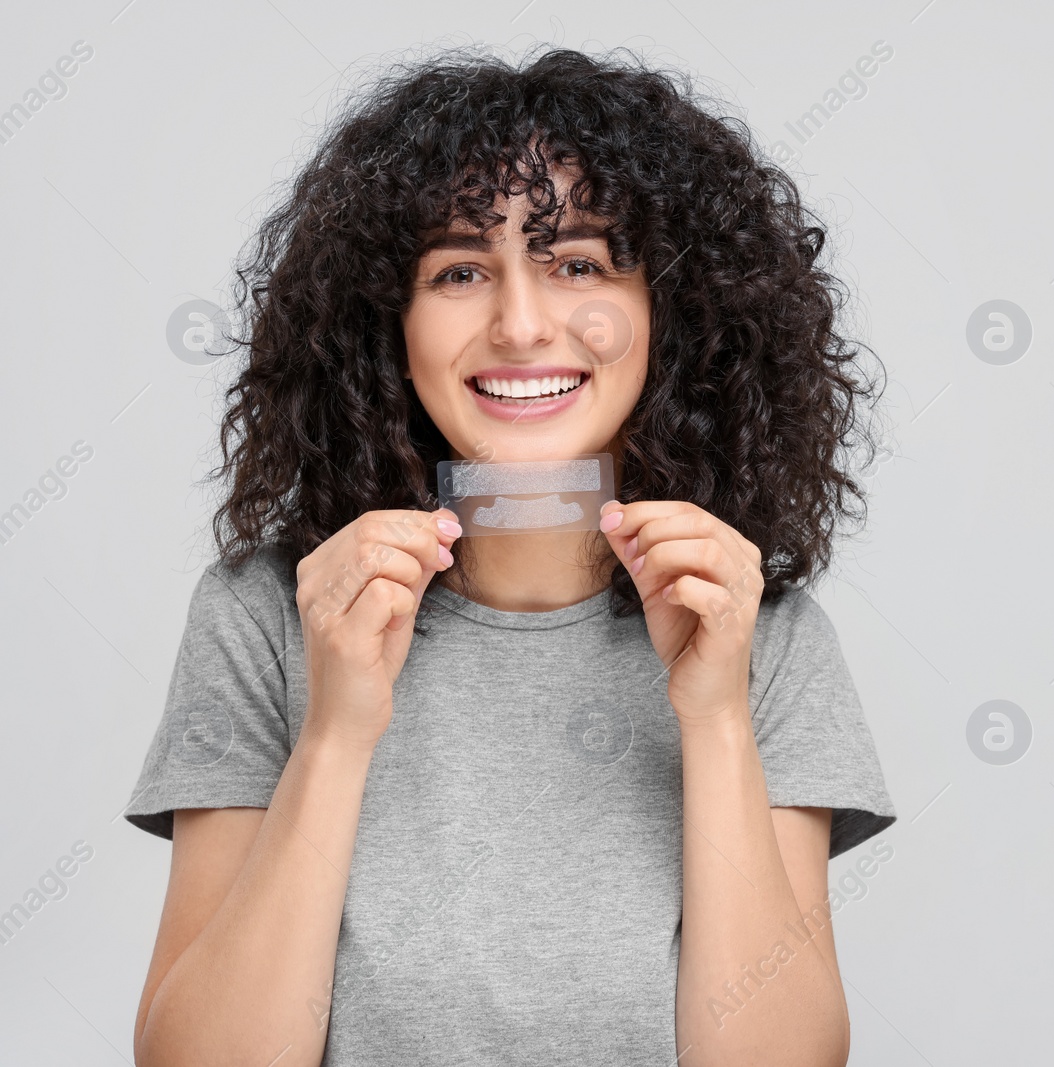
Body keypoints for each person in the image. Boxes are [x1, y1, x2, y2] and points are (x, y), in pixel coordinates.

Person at [123, 43, 895, 1067]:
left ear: (674, 313)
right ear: (383, 323)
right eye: (458, 270)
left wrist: (714, 718)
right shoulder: (271, 618)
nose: (521, 323)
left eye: (578, 262)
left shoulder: (762, 634)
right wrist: (337, 732)